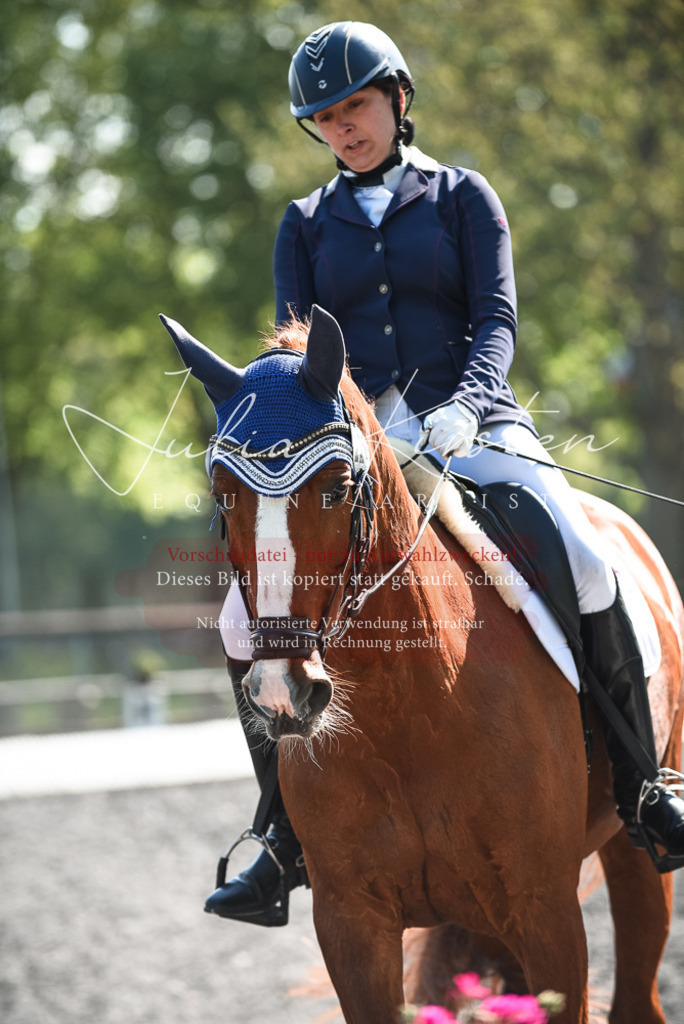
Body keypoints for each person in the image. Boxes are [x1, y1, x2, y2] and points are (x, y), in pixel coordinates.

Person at [205, 21, 684, 924]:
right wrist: (355, 430)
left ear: (396, 98)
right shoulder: (304, 225)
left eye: (355, 106)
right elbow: (303, 349)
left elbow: (497, 316)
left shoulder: (464, 196)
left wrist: (466, 402)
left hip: (476, 423)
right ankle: (280, 835)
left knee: (582, 553)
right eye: (324, 117)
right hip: (357, 446)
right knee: (242, 616)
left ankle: (645, 784)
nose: (343, 127)